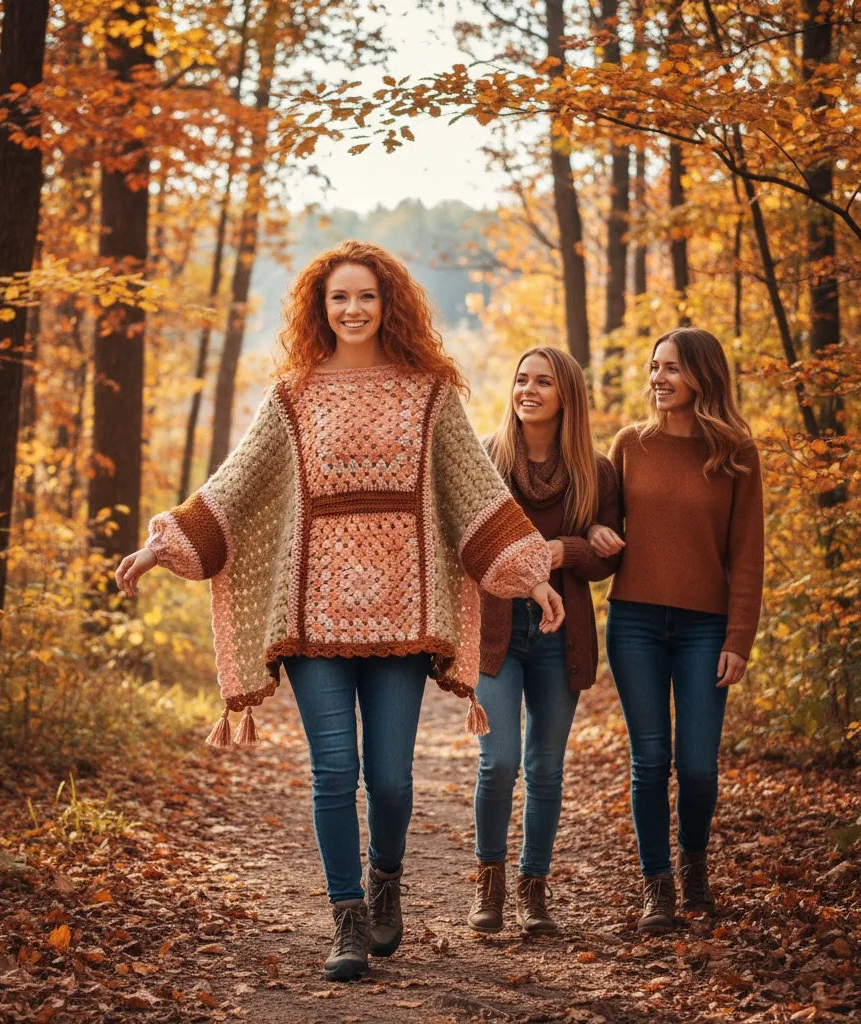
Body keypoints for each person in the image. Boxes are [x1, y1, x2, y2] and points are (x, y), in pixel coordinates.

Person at [114, 241, 564, 982]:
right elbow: (234, 486)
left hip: (402, 617)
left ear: (390, 304)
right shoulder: (293, 396)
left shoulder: (429, 393)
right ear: (320, 310)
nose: (352, 310)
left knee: (388, 780)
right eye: (338, 299)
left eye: (365, 296)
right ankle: (347, 918)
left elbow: (476, 491)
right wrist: (162, 545)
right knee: (333, 773)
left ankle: (386, 877)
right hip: (312, 618)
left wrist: (531, 573)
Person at [588, 327, 764, 934]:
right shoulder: (630, 443)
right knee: (650, 759)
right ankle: (656, 883)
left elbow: (748, 554)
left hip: (705, 629)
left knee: (697, 767)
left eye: (672, 368)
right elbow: (603, 528)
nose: (658, 378)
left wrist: (739, 638)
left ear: (702, 376)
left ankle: (693, 860)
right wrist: (593, 537)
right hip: (634, 618)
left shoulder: (736, 451)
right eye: (654, 366)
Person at [466, 347, 621, 937]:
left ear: (567, 397)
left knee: (546, 769)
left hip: (564, 634)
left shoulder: (596, 471)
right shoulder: (488, 460)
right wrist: (542, 558)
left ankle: (533, 891)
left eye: (543, 382)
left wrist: (570, 550)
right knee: (499, 761)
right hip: (499, 630)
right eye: (520, 378)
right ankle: (490, 883)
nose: (527, 389)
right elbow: (472, 544)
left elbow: (606, 555)